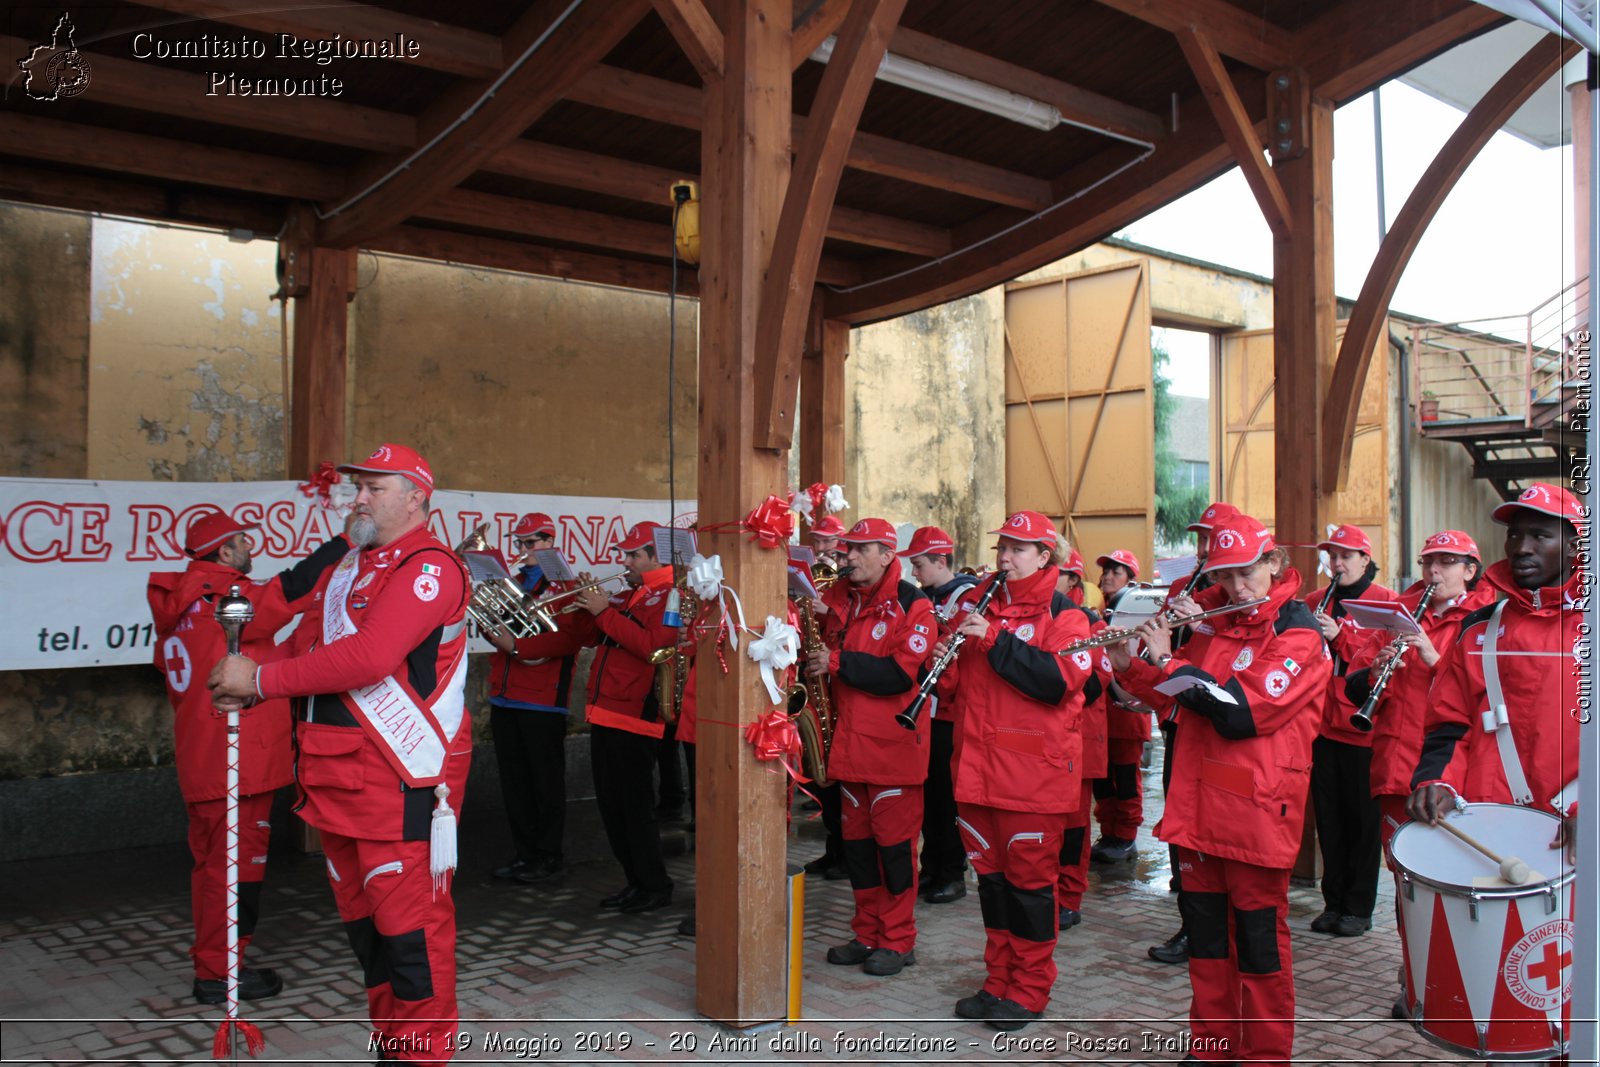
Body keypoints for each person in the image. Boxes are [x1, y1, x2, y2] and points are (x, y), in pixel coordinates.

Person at [209, 443, 472, 1064]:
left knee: (412, 945)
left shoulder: (428, 566)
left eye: (374, 488)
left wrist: (262, 682)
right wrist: (243, 678)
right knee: (372, 944)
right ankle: (395, 1051)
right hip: (335, 784)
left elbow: (370, 657)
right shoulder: (349, 567)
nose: (357, 498)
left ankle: (424, 1056)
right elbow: (307, 652)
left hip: (399, 786)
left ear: (416, 497)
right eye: (357, 487)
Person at [1110, 513, 1331, 1066]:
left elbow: (1239, 713)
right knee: (1206, 941)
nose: (1235, 587)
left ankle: (1264, 1055)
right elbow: (1178, 701)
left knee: (1258, 945)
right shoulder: (1215, 623)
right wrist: (1129, 666)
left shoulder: (1299, 632)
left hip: (1256, 813)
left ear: (1275, 563)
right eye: (1225, 575)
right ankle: (1212, 1045)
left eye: (1247, 572)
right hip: (1198, 805)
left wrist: (1166, 655)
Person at [148, 510, 347, 1005]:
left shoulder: (182, 605)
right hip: (235, 758)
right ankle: (220, 974)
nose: (247, 549)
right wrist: (348, 540)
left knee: (212, 870)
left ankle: (217, 963)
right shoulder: (225, 600)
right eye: (240, 542)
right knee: (234, 874)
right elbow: (292, 590)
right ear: (223, 552)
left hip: (203, 758)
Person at [940, 511, 1093, 1032]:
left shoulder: (1067, 615)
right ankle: (997, 981)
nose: (1005, 558)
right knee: (992, 886)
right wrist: (944, 663)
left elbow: (1054, 682)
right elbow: (957, 691)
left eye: (1019, 549)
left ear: (1044, 557)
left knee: (1030, 890)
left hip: (1032, 779)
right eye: (1003, 547)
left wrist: (991, 641)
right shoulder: (979, 604)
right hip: (977, 772)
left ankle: (1029, 989)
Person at [1343, 529, 1493, 1020]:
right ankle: (1417, 980)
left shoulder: (1487, 619)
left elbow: (1483, 697)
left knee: (1462, 881)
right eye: (1429, 562)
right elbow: (1355, 684)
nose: (1434, 572)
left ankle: (1467, 981)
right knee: (1408, 886)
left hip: (1456, 776)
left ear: (1470, 569)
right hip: (1396, 769)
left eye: (1448, 563)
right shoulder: (1399, 617)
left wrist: (1433, 657)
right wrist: (1376, 671)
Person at [1409, 483, 1583, 861]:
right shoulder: (1478, 628)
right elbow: (1450, 723)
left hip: (1573, 834)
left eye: (1540, 535)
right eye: (1515, 535)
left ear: (1574, 546)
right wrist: (1437, 781)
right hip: (1486, 829)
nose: (1521, 547)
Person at [808, 517, 934, 977]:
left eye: (862, 549)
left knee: (895, 853)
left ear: (888, 555)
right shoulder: (840, 597)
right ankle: (866, 934)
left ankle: (899, 941)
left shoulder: (913, 605)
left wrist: (837, 661)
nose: (850, 557)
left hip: (891, 753)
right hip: (848, 748)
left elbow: (900, 674)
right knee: (858, 852)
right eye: (848, 549)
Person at [1145, 501, 1238, 966]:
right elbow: (1169, 647)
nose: (1204, 549)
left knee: (1217, 826)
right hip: (1179, 717)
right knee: (1179, 821)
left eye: (1213, 539)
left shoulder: (1239, 596)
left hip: (1217, 720)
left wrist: (1204, 619)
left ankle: (1220, 928)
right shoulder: (1185, 586)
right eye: (1201, 539)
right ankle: (1190, 922)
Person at [572, 520, 679, 914]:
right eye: (627, 555)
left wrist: (605, 612)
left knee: (634, 810)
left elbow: (654, 647)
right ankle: (635, 881)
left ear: (656, 557)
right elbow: (588, 636)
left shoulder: (671, 596)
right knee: (612, 809)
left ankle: (654, 884)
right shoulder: (629, 594)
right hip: (605, 711)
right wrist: (586, 603)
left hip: (635, 716)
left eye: (635, 555)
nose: (627, 561)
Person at [1304, 524, 1396, 938]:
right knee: (1329, 820)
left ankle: (1358, 907)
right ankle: (1333, 901)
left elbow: (1380, 662)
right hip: (1319, 724)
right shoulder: (1312, 601)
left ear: (1365, 558)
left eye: (1346, 555)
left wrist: (1341, 637)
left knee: (1362, 824)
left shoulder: (1386, 603)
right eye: (1332, 556)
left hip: (1361, 728)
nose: (1337, 563)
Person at [484, 513, 580, 885]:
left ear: (548, 541)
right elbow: (498, 624)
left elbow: (569, 639)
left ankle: (549, 856)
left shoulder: (564, 585)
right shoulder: (515, 582)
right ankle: (525, 854)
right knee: (515, 783)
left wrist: (517, 646)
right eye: (520, 543)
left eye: (529, 544)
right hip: (505, 695)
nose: (522, 551)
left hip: (542, 700)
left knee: (545, 784)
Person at [901, 525, 979, 904]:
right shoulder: (921, 597)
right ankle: (931, 867)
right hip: (927, 710)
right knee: (929, 796)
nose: (914, 573)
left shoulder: (968, 597)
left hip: (951, 711)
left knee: (947, 798)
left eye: (918, 565)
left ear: (940, 560)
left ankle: (952, 871)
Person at [1090, 548, 1147, 865]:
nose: (1108, 576)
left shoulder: (1140, 615)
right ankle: (1109, 833)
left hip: (1125, 714)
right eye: (1106, 571)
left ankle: (1125, 837)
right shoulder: (1096, 614)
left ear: (1131, 579)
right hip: (1100, 714)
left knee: (1125, 780)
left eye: (1117, 571)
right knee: (1103, 779)